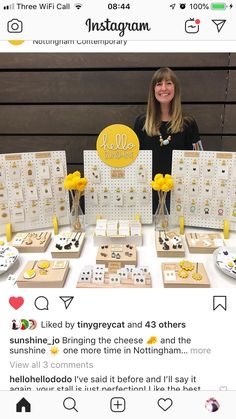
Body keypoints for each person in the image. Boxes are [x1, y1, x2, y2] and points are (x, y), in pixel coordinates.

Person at [134, 67, 202, 212]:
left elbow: (199, 159)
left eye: (168, 83)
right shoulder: (141, 123)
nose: (163, 88)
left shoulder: (188, 123)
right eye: (159, 84)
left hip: (179, 197)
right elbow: (133, 162)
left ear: (175, 88)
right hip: (147, 198)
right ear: (153, 90)